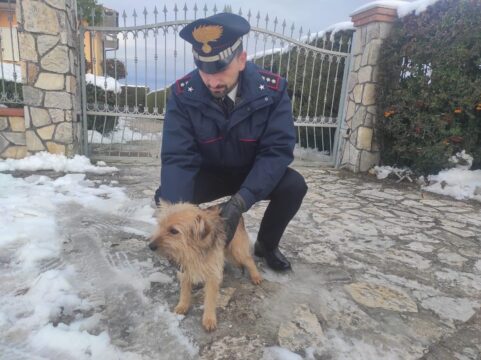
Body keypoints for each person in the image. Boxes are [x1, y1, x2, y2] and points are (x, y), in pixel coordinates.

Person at [154, 12, 307, 271]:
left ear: (241, 60)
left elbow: (276, 151)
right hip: (209, 173)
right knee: (167, 197)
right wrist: (176, 214)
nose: (212, 81)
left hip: (252, 173)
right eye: (204, 71)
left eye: (221, 69)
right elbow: (178, 157)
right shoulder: (183, 95)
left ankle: (267, 245)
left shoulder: (272, 91)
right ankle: (186, 249)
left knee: (294, 186)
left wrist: (242, 200)